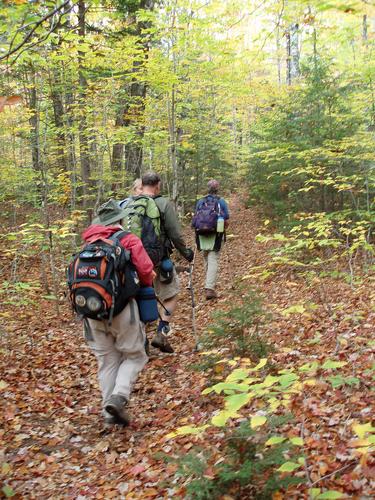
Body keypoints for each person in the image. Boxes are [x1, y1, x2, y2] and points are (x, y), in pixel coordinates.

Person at [82, 199, 155, 427]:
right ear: (120, 220)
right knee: (135, 355)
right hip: (123, 309)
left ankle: (108, 415)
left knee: (107, 361)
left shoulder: (88, 244)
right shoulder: (128, 239)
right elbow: (145, 271)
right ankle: (119, 395)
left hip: (93, 313)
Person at [141, 171, 194, 353]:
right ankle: (161, 334)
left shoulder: (132, 204)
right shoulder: (163, 204)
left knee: (137, 298)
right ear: (158, 185)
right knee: (170, 294)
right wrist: (186, 252)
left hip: (134, 260)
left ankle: (141, 342)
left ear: (142, 184)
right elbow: (175, 234)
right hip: (158, 258)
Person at [194, 180, 229, 300]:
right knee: (213, 258)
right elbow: (227, 219)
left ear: (207, 188)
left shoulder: (200, 201)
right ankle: (210, 288)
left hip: (201, 234)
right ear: (217, 188)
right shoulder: (221, 201)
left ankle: (209, 282)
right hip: (216, 233)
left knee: (206, 256)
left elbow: (196, 218)